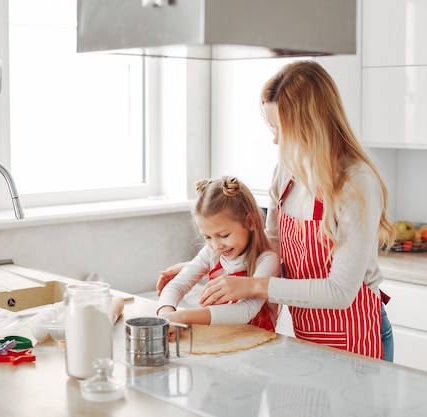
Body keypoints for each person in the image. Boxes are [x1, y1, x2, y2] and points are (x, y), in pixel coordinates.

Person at [158, 60, 395, 361]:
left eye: (283, 128)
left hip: (356, 336)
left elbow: (340, 292)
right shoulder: (287, 172)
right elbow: (273, 248)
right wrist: (213, 265)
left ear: (312, 126)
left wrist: (251, 284)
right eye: (272, 127)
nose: (276, 139)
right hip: (307, 334)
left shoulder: (354, 183)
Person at [156, 176, 280, 339]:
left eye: (223, 235)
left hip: (255, 342)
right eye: (207, 237)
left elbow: (245, 311)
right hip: (217, 336)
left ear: (249, 222)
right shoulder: (212, 253)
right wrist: (167, 313)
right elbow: (178, 284)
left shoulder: (267, 260)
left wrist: (183, 316)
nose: (216, 245)